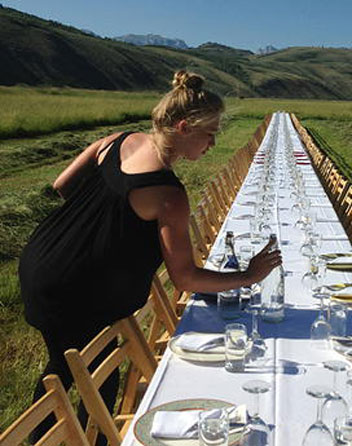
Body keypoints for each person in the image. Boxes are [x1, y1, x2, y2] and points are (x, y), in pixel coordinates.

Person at [18, 69, 282, 443]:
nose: (213, 144)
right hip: (76, 287)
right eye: (211, 134)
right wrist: (248, 276)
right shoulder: (168, 194)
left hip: (42, 259)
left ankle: (45, 435)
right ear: (185, 126)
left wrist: (99, 228)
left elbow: (63, 185)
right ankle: (89, 438)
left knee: (63, 363)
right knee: (96, 374)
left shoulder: (115, 140)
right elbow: (186, 278)